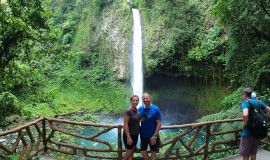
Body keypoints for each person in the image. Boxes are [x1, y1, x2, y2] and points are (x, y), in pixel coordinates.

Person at [239, 88, 270, 160]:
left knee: (246, 156)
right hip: (257, 133)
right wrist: (265, 117)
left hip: (247, 134)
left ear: (245, 95)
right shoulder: (258, 102)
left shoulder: (245, 103)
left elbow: (245, 114)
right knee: (253, 154)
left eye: (242, 95)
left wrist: (245, 122)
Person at [139, 93, 162, 160]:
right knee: (143, 151)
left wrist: (155, 136)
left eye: (147, 98)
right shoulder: (140, 108)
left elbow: (159, 123)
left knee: (153, 152)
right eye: (144, 98)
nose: (145, 100)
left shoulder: (156, 109)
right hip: (143, 135)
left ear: (150, 98)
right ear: (142, 99)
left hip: (153, 135)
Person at [123, 95, 140, 160]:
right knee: (129, 152)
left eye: (136, 100)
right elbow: (126, 124)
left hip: (135, 134)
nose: (135, 102)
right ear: (131, 101)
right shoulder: (128, 111)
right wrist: (128, 137)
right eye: (134, 100)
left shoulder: (138, 110)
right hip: (128, 135)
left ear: (138, 101)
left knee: (131, 153)